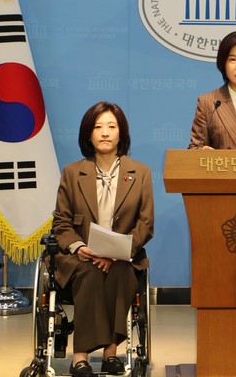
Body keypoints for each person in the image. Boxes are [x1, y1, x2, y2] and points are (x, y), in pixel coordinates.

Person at [52, 101, 154, 377]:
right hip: (80, 256)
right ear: (88, 134)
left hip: (123, 256)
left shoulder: (140, 173)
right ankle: (80, 356)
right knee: (90, 272)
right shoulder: (72, 173)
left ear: (122, 133)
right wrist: (79, 247)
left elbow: (145, 224)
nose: (105, 133)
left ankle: (111, 352)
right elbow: (61, 222)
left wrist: (116, 252)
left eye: (111, 126)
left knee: (119, 272)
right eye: (98, 127)